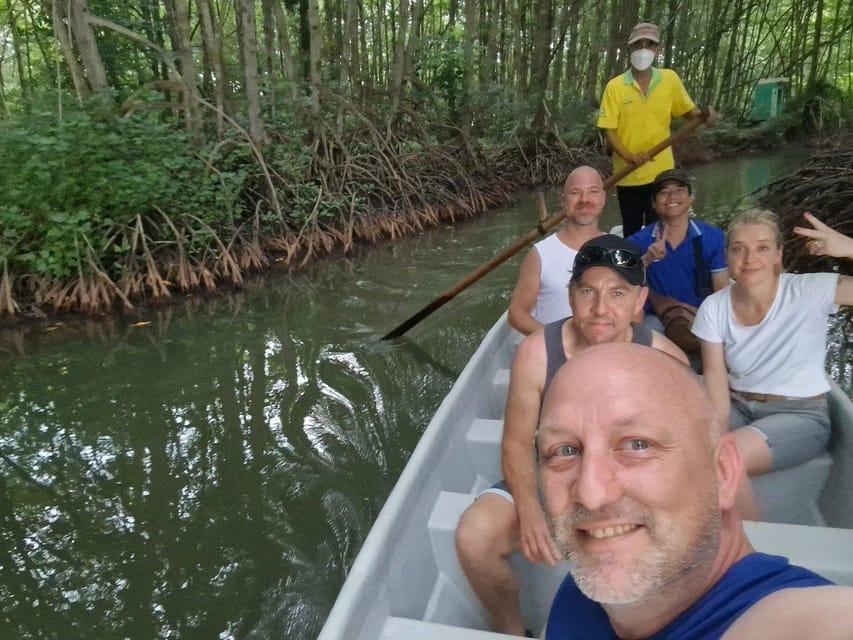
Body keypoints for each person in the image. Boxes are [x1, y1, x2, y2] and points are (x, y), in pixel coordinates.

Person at [538, 342, 853, 639]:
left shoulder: (804, 619)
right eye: (564, 450)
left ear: (723, 472)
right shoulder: (588, 586)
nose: (591, 493)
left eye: (637, 444)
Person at [455, 235, 687, 636]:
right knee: (475, 537)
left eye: (618, 293)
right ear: (571, 295)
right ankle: (513, 630)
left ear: (639, 300)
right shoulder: (537, 353)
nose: (600, 309)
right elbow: (515, 443)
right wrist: (529, 511)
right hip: (553, 472)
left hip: (627, 481)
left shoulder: (666, 362)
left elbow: (679, 457)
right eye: (588, 292)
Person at [693, 209, 853, 484]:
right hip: (738, 406)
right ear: (727, 256)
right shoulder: (714, 307)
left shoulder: (808, 290)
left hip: (800, 415)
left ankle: (731, 525)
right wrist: (713, 434)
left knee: (723, 460)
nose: (750, 259)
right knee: (681, 448)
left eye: (762, 248)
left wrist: (850, 248)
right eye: (738, 249)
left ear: (778, 254)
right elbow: (716, 381)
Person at [597, 22, 716, 238]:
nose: (643, 49)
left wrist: (705, 117)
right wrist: (629, 156)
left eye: (650, 44)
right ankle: (637, 269)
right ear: (629, 50)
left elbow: (690, 112)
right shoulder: (615, 86)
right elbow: (609, 130)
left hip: (662, 174)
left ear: (657, 50)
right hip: (628, 174)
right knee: (632, 231)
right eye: (638, 44)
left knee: (660, 229)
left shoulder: (669, 79)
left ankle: (659, 267)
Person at [628, 169, 729, 354]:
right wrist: (647, 259)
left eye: (679, 190)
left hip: (702, 317)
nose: (672, 196)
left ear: (690, 198)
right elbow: (623, 283)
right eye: (664, 192)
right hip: (659, 319)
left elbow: (722, 292)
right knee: (644, 334)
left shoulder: (713, 237)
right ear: (654, 203)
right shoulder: (637, 242)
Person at [507, 166, 605, 335]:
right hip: (555, 352)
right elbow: (517, 314)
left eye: (593, 192)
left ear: (603, 198)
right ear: (563, 200)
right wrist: (559, 341)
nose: (584, 199)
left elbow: (634, 312)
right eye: (575, 193)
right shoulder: (541, 254)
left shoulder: (619, 249)